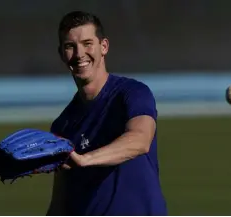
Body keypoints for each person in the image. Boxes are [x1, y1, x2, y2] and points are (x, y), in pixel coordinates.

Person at [46, 10, 168, 216]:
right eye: (70, 47)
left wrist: (86, 159)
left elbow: (140, 140)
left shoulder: (131, 93)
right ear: (61, 54)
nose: (79, 54)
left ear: (104, 47)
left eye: (87, 43)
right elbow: (60, 203)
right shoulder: (62, 125)